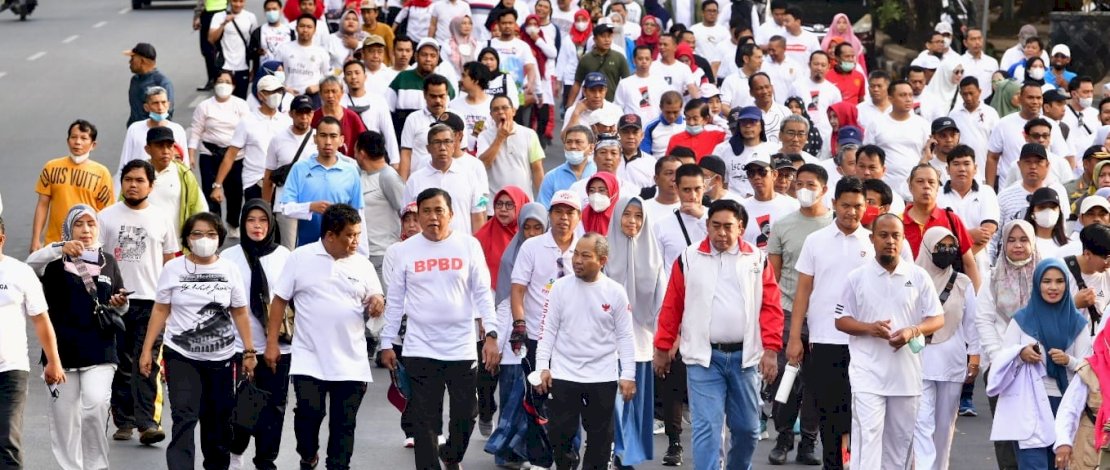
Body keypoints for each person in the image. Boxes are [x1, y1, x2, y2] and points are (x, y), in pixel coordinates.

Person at [654, 198, 784, 469]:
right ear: (707, 226)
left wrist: (771, 350)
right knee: (707, 431)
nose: (721, 233)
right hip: (704, 359)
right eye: (715, 226)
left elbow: (771, 307)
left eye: (728, 227)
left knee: (748, 430)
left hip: (745, 360)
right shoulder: (689, 258)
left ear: (740, 227)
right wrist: (663, 347)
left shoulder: (757, 260)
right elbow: (672, 305)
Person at [379, 188, 500, 470]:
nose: (433, 217)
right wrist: (387, 342)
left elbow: (483, 292)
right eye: (426, 212)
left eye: (439, 211)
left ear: (451, 214)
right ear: (417, 215)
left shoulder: (468, 246)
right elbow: (395, 300)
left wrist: (491, 333)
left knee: (465, 415)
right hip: (420, 347)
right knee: (425, 420)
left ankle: (451, 455)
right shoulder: (406, 251)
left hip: (460, 347)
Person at [264, 204, 383, 470]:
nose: (355, 241)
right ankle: (308, 455)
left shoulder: (362, 263)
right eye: (349, 236)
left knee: (344, 426)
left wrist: (377, 301)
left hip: (351, 362)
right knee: (308, 415)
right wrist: (272, 343)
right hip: (309, 358)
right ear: (330, 236)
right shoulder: (300, 258)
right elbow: (280, 300)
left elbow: (376, 296)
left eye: (358, 235)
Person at [137, 212, 256, 470]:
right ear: (187, 239)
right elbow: (160, 309)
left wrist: (248, 351)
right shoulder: (172, 269)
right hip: (181, 355)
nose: (204, 239)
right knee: (184, 416)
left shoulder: (229, 269)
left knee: (218, 421)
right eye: (197, 234)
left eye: (211, 234)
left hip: (222, 358)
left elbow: (239, 311)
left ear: (220, 239)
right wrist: (147, 350)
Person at [834, 213, 946, 470]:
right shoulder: (857, 277)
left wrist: (912, 331)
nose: (890, 241)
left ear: (903, 238)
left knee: (899, 446)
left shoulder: (917, 276)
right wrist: (869, 328)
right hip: (867, 375)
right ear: (872, 239)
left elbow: (937, 318)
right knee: (868, 440)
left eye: (896, 235)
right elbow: (841, 320)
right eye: (883, 235)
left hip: (906, 377)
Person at [25, 205, 126, 470]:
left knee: (95, 406)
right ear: (70, 229)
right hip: (61, 353)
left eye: (91, 224)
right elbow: (29, 264)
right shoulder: (53, 264)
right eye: (79, 224)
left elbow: (119, 303)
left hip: (101, 349)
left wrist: (119, 303)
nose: (86, 230)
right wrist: (59, 247)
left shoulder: (108, 261)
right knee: (64, 420)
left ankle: (96, 467)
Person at [786, 176, 869, 469]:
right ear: (834, 204)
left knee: (858, 415)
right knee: (829, 417)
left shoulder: (873, 242)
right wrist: (795, 337)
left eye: (858, 206)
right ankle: (834, 465)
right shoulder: (816, 241)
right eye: (845, 205)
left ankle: (853, 464)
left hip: (863, 343)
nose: (851, 212)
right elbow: (803, 293)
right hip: (823, 340)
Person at [534, 232, 637, 469]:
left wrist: (628, 375)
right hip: (564, 374)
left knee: (600, 439)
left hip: (602, 376)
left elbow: (625, 336)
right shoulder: (559, 288)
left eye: (585, 255)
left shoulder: (615, 292)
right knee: (560, 435)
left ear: (602, 260)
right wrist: (542, 367)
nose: (577, 260)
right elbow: (547, 330)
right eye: (576, 254)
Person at [100, 159, 179, 446]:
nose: (133, 185)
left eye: (139, 180)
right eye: (128, 179)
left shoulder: (161, 218)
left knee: (148, 362)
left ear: (151, 185)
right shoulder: (105, 217)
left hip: (152, 303)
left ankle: (148, 422)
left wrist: (171, 300)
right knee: (120, 361)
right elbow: (98, 261)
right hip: (116, 302)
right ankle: (124, 421)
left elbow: (171, 261)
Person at [990, 258, 1091, 468]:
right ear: (1037, 284)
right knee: (1032, 464)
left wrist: (1068, 360)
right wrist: (1020, 353)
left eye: (1059, 281)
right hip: (1030, 404)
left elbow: (1088, 368)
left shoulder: (1078, 323)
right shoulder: (1022, 320)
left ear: (1066, 284)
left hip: (1066, 406)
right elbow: (1001, 360)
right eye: (1046, 281)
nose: (1053, 287)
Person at [213, 200, 292, 470]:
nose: (257, 226)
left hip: (277, 347)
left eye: (263, 220)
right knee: (238, 403)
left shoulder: (285, 257)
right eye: (250, 220)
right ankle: (235, 451)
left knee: (273, 407)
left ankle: (266, 460)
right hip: (236, 346)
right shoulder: (229, 257)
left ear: (271, 224)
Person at [766, 163, 831, 465]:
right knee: (783, 379)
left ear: (824, 189)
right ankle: (782, 436)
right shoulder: (782, 226)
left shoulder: (833, 225)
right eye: (799, 183)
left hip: (824, 316)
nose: (804, 188)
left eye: (812, 184)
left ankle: (808, 441)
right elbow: (773, 278)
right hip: (788, 311)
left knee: (817, 382)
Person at [0, 215, 66, 469]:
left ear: (2, 239)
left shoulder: (20, 272)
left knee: (6, 439)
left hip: (11, 368)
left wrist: (54, 361)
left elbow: (41, 320)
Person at [912, 226, 980, 470]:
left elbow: (972, 323)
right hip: (918, 359)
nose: (947, 251)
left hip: (952, 362)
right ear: (928, 247)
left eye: (951, 246)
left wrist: (975, 358)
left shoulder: (963, 283)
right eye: (940, 246)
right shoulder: (912, 278)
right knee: (921, 422)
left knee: (944, 426)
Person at [605, 197, 664, 468]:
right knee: (612, 400)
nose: (632, 221)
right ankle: (616, 448)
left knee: (632, 402)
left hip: (641, 339)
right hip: (608, 341)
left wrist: (661, 340)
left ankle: (626, 453)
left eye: (638, 216)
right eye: (626, 214)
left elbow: (661, 304)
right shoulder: (604, 254)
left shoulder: (654, 256)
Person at [976, 219, 1038, 469]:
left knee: (1036, 431)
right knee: (1006, 434)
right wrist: (1001, 358)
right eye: (1011, 240)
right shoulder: (992, 278)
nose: (1018, 245)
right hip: (1000, 366)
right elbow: (984, 320)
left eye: (1023, 240)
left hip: (1036, 365)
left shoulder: (1046, 276)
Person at [209, 75, 292, 238]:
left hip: (281, 183)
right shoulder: (247, 121)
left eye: (278, 91)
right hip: (255, 182)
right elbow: (231, 154)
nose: (276, 95)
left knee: (278, 231)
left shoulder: (286, 122)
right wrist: (217, 185)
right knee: (256, 230)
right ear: (261, 95)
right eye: (270, 91)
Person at [280, 117, 365, 248]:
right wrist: (310, 207)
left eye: (333, 136)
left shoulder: (351, 171)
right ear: (315, 138)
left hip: (342, 249)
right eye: (323, 136)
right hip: (307, 247)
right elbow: (286, 208)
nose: (328, 142)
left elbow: (358, 215)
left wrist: (362, 252)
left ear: (341, 140)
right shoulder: (300, 168)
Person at [31, 120, 115, 252]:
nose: (77, 142)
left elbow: (106, 214)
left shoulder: (102, 173)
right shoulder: (51, 167)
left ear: (93, 145)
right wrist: (35, 240)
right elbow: (42, 204)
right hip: (55, 245)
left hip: (86, 247)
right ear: (68, 140)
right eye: (74, 137)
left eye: (83, 138)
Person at [903, 164, 982, 290]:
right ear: (910, 187)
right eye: (920, 181)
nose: (926, 186)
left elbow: (969, 263)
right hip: (907, 291)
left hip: (945, 293)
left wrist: (977, 300)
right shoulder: (898, 222)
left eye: (931, 182)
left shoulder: (951, 220)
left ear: (937, 188)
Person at [189, 70, 251, 227]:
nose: (223, 85)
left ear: (233, 86)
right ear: (215, 84)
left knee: (235, 193)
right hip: (210, 154)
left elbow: (248, 131)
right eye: (220, 81)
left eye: (227, 82)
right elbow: (196, 132)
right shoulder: (204, 106)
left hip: (235, 155)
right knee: (210, 192)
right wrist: (191, 155)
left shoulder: (241, 105)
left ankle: (232, 223)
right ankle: (214, 226)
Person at [403, 124, 490, 234]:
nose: (443, 147)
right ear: (428, 148)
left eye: (447, 142)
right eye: (437, 142)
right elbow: (407, 218)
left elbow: (478, 217)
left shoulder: (470, 176)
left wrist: (477, 248)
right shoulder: (415, 180)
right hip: (425, 247)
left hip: (461, 247)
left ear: (454, 146)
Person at [987, 82, 1073, 186]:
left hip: (1044, 194)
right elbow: (992, 158)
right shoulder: (1003, 124)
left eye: (1038, 98)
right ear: (1020, 99)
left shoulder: (1052, 125)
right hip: (1010, 190)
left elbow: (1062, 158)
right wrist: (990, 189)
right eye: (1030, 98)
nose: (1035, 102)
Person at [263, 94, 318, 249]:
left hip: (314, 203)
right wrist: (266, 207)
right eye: (300, 113)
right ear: (291, 114)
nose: (304, 117)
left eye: (308, 113)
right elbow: (269, 175)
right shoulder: (278, 140)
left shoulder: (319, 138)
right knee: (289, 250)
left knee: (315, 248)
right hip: (286, 205)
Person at [863, 80, 930, 199]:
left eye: (910, 95)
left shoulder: (923, 125)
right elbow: (868, 156)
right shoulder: (876, 124)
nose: (908, 99)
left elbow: (927, 155)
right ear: (890, 98)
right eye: (903, 95)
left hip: (914, 189)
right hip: (884, 189)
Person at [118, 86, 190, 191]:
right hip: (140, 186)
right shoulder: (134, 129)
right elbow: (125, 161)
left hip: (169, 185)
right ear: (146, 107)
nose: (160, 107)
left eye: (163, 102)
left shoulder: (177, 130)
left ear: (168, 105)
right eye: (155, 103)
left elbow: (184, 163)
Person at [145, 126, 207, 240]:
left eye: (169, 146)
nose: (165, 151)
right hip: (147, 244)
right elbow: (125, 205)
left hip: (177, 245)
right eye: (159, 146)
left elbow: (198, 207)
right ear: (147, 149)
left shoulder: (184, 174)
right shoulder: (138, 173)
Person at [477, 94, 546, 198]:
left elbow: (537, 169)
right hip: (495, 204)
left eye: (505, 108)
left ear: (513, 111)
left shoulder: (529, 134)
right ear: (491, 115)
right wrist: (500, 138)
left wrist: (543, 199)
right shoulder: (484, 136)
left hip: (523, 202)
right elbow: (483, 164)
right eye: (496, 109)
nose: (500, 112)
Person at [398, 74, 455, 180]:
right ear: (424, 95)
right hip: (420, 182)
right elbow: (406, 154)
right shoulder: (413, 119)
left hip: (451, 180)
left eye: (441, 96)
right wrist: (402, 186)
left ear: (447, 94)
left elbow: (461, 153)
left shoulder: (457, 119)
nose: (438, 100)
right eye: (433, 96)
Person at [340, 60, 400, 157]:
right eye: (349, 74)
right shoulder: (339, 102)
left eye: (357, 73)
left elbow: (389, 133)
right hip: (346, 157)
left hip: (373, 155)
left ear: (365, 76)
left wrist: (394, 160)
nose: (353, 77)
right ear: (344, 79)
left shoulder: (378, 100)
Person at [740, 155, 800, 251]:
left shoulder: (794, 206)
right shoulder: (740, 209)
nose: (756, 177)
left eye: (762, 172)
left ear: (774, 174)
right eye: (751, 173)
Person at [476, 186, 530, 290]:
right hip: (491, 297)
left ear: (521, 206)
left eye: (509, 204)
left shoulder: (530, 233)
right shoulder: (482, 236)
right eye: (499, 204)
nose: (503, 209)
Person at [566, 23, 630, 108]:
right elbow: (577, 83)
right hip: (589, 105)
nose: (607, 40)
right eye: (603, 36)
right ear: (595, 39)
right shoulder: (586, 59)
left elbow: (627, 82)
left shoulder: (619, 57)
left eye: (609, 36)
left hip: (612, 105)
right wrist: (569, 105)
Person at [949, 76, 1000, 181]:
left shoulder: (991, 113)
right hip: (962, 172)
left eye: (971, 93)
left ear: (979, 91)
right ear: (960, 94)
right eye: (965, 94)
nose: (968, 97)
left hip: (985, 171)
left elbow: (997, 143)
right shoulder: (954, 114)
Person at [537, 126, 598, 207]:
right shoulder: (551, 177)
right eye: (569, 142)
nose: (573, 146)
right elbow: (543, 210)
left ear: (591, 148)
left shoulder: (598, 173)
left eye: (578, 142)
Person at [208, 0, 258, 97]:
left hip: (243, 67)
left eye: (241, 1)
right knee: (223, 99)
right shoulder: (219, 16)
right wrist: (224, 23)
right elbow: (211, 39)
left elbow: (254, 44)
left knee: (241, 100)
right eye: (235, 1)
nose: (238, 4)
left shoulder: (250, 17)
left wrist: (254, 69)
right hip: (224, 67)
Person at [313, 76, 368, 157]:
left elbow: (364, 141)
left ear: (342, 93)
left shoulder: (352, 117)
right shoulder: (314, 117)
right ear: (320, 94)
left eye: (334, 91)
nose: (330, 95)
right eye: (326, 92)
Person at [614, 46, 668, 126]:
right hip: (632, 130)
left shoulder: (660, 82)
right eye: (640, 59)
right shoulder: (625, 84)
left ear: (651, 61)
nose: (644, 62)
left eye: (647, 59)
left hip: (656, 128)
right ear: (634, 61)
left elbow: (667, 106)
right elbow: (618, 108)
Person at [126, 43, 174, 126]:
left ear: (142, 61)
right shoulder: (135, 80)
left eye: (132, 58)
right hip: (135, 130)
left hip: (153, 133)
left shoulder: (162, 82)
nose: (130, 62)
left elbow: (167, 112)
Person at [1024, 187, 1070, 259]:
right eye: (1042, 207)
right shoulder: (1023, 244)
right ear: (1032, 212)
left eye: (1053, 207)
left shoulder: (1068, 246)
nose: (1048, 211)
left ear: (1059, 212)